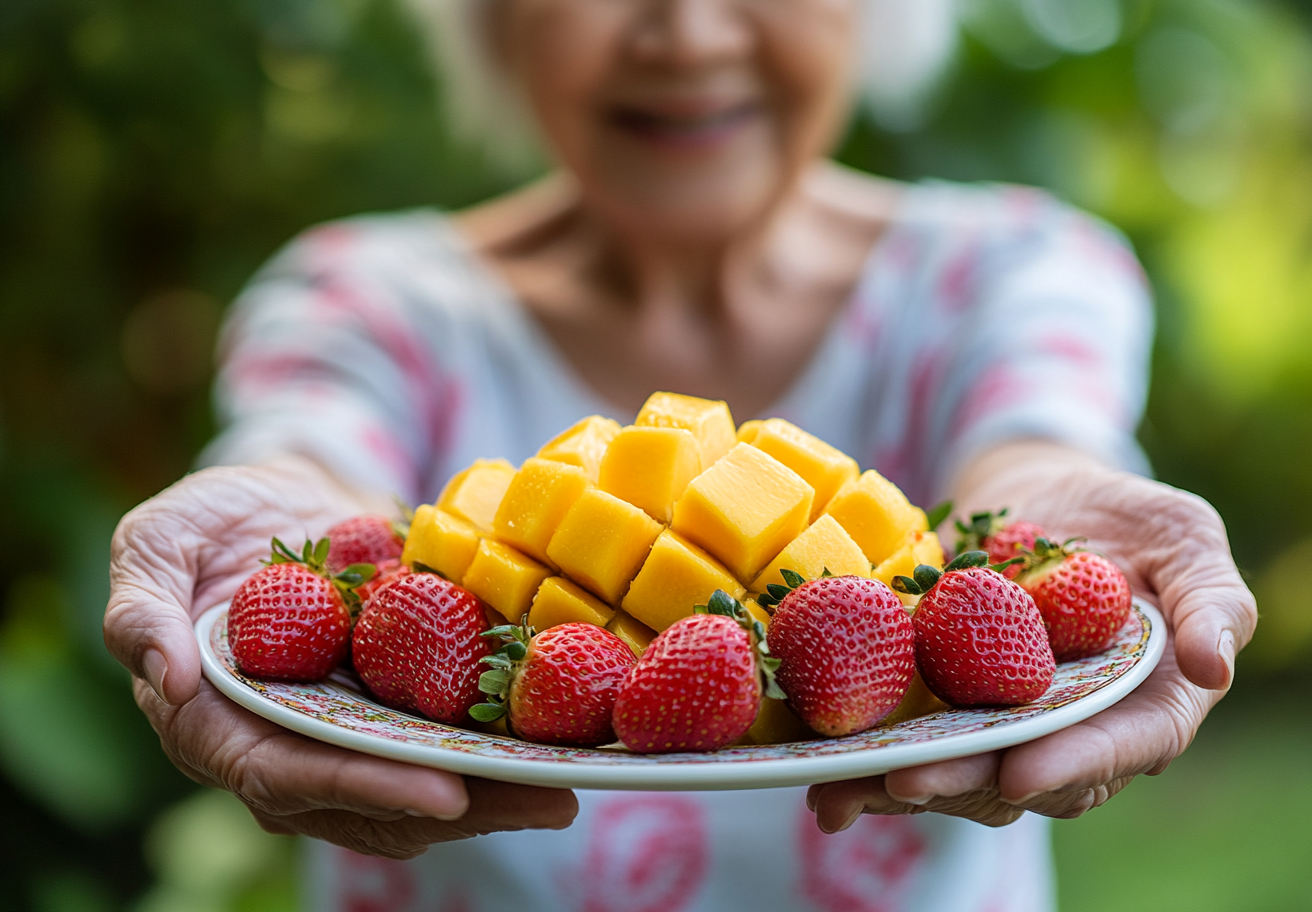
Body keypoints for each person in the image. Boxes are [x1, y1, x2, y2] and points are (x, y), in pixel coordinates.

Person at [103, 1, 1256, 910]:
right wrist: (279, 522)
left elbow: (1036, 439)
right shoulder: (360, 295)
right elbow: (309, 449)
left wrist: (1047, 519)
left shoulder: (1018, 266)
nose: (689, 32)